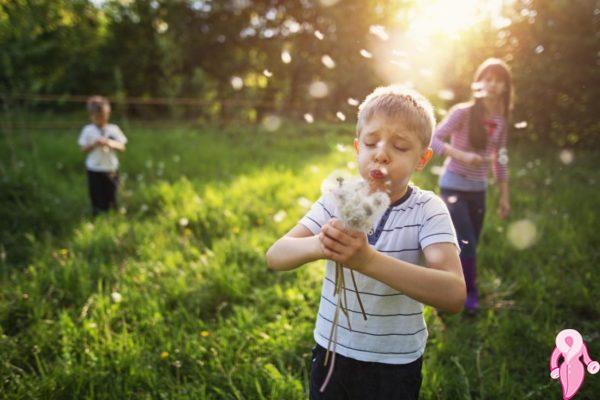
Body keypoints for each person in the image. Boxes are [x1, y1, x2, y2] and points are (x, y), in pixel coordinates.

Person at [266, 85, 466, 400]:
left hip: (394, 363)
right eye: (371, 142)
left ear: (422, 159)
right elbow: (276, 255)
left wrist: (367, 261)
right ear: (358, 147)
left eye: (400, 147)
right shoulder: (337, 200)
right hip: (332, 352)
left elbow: (454, 294)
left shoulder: (428, 210)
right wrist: (322, 244)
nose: (381, 153)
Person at [430, 58, 513, 314]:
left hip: (479, 189)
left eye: (498, 80)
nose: (492, 84)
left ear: (505, 87)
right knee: (465, 242)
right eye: (487, 78)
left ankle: (446, 285)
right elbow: (433, 139)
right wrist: (461, 155)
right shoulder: (462, 113)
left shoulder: (500, 122)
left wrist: (504, 196)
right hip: (453, 186)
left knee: (470, 242)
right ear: (478, 83)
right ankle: (467, 295)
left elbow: (500, 158)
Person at [77, 96, 127, 216]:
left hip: (111, 168)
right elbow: (82, 149)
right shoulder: (88, 130)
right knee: (96, 194)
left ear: (108, 114)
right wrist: (94, 144)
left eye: (104, 115)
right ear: (91, 116)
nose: (101, 119)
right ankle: (98, 214)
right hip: (94, 169)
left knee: (112, 193)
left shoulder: (113, 129)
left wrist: (110, 143)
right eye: (98, 116)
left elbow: (122, 147)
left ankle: (112, 215)